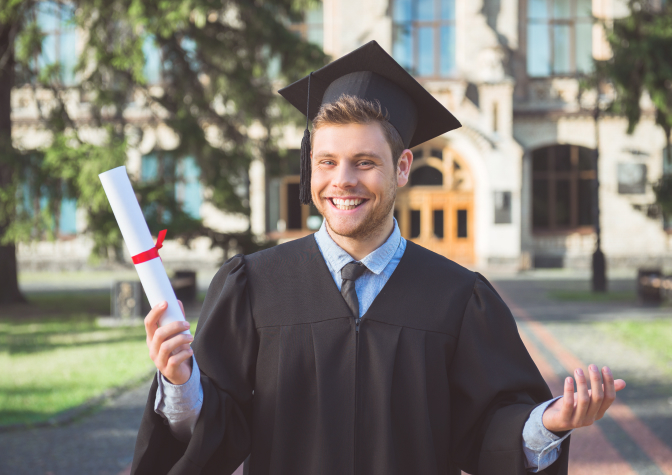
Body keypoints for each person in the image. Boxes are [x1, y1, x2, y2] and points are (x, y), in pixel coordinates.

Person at [131, 41, 626, 475]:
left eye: (364, 162)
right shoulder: (254, 287)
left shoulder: (458, 297)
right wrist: (180, 385)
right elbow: (220, 431)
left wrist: (547, 423)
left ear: (402, 167)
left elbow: (486, 433)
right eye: (325, 162)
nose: (341, 179)